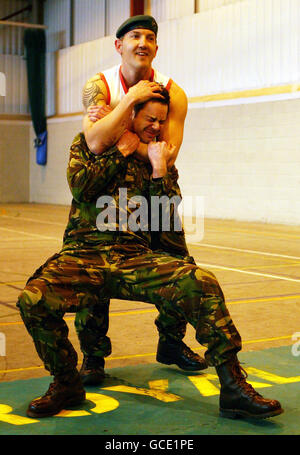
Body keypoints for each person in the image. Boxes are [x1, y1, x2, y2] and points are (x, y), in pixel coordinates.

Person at [17, 91, 283, 420]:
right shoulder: (90, 141)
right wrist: (118, 153)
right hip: (84, 255)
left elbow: (167, 221)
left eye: (162, 121)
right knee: (32, 299)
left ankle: (233, 388)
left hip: (132, 258)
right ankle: (66, 380)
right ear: (130, 116)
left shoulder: (156, 158)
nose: (157, 127)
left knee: (202, 282)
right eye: (150, 119)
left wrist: (159, 171)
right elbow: (81, 187)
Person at [76, 14, 206, 384]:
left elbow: (168, 155)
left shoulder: (172, 91)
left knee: (179, 264)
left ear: (156, 47)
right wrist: (129, 109)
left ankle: (171, 343)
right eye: (135, 36)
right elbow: (94, 142)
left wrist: (120, 133)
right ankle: (93, 358)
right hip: (110, 193)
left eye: (149, 37)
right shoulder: (99, 86)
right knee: (95, 270)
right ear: (119, 45)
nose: (142, 43)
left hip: (156, 188)